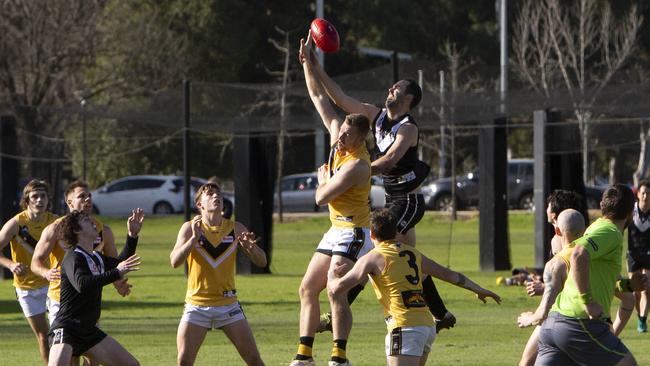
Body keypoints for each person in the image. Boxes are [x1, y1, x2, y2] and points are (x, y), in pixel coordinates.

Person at [303, 32, 454, 332]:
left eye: (396, 87)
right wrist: (315, 65)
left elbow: (390, 159)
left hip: (408, 200)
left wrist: (356, 171)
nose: (390, 88)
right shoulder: (377, 116)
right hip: (392, 198)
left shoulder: (407, 128)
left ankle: (337, 311)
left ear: (408, 97)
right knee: (410, 258)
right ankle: (442, 314)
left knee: (378, 248)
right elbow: (340, 99)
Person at [289, 38, 373, 366]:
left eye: (346, 138)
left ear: (359, 139)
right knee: (307, 288)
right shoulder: (339, 134)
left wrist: (323, 180)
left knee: (335, 291)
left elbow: (321, 196)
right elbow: (318, 96)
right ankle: (304, 355)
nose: (339, 140)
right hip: (335, 229)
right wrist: (307, 61)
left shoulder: (358, 165)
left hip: (354, 232)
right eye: (339, 135)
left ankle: (339, 357)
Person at [328, 209, 501, 366]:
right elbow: (448, 274)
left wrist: (333, 275)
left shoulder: (372, 257)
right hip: (426, 326)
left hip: (405, 327)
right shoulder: (413, 253)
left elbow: (338, 288)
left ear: (371, 234)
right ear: (396, 232)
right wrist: (478, 289)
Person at [31, 180, 132, 366]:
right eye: (81, 196)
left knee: (93, 360)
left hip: (87, 307)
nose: (87, 200)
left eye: (89, 196)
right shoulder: (56, 229)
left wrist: (119, 281)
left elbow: (113, 264)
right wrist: (46, 273)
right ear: (69, 203)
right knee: (72, 360)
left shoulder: (102, 230)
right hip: (62, 303)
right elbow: (36, 262)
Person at [536, 184, 637, 366]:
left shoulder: (595, 228)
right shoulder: (611, 232)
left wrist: (631, 285)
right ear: (631, 212)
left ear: (601, 205)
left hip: (554, 324)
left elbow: (601, 278)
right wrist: (588, 301)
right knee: (627, 363)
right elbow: (578, 255)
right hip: (579, 323)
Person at [170, 182, 266, 366]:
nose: (216, 197)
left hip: (228, 306)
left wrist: (251, 248)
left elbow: (262, 261)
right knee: (184, 360)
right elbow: (174, 261)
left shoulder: (236, 228)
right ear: (200, 205)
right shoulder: (189, 228)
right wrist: (192, 240)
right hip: (197, 306)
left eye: (219, 194)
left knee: (254, 359)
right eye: (210, 194)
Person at [47, 210, 142, 366]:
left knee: (131, 364)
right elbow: (82, 284)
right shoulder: (73, 256)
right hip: (67, 328)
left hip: (88, 331)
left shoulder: (95, 257)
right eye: (85, 220)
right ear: (77, 230)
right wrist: (118, 272)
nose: (92, 221)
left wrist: (132, 236)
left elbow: (120, 262)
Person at [0, 179, 58, 364]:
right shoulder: (16, 223)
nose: (40, 200)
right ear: (27, 201)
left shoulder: (56, 222)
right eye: (35, 196)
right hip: (27, 288)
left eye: (43, 196)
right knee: (43, 336)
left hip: (53, 285)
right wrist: (10, 265)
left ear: (49, 200)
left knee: (61, 334)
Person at [627, 180, 650, 332]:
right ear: (638, 194)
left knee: (647, 289)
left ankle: (643, 320)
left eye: (648, 193)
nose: (646, 196)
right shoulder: (631, 211)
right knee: (635, 291)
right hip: (633, 254)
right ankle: (638, 313)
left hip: (648, 254)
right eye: (643, 192)